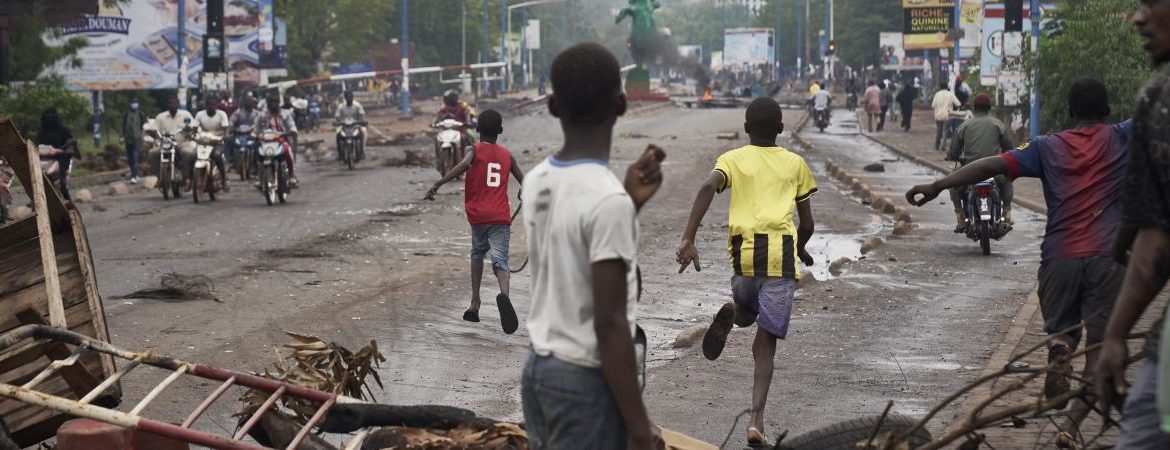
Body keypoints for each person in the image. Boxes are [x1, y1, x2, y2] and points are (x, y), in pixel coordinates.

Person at [906, 79, 1132, 442]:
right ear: (1107, 111)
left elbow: (988, 165)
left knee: (1066, 334)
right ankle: (1071, 430)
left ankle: (1061, 345)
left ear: (1070, 112)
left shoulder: (1047, 146)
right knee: (1101, 352)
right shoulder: (1124, 136)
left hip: (1058, 260)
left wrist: (938, 185)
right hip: (1107, 260)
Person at [520, 42, 665, 450]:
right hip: (584, 380)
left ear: (552, 106)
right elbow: (609, 324)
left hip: (539, 371)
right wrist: (640, 427)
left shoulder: (537, 180)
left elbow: (571, 253)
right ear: (621, 105)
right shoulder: (607, 201)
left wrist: (629, 203)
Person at [676, 97, 817, 446]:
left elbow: (708, 186)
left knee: (747, 311)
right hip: (780, 256)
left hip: (744, 254)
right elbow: (808, 223)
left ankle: (733, 312)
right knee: (766, 339)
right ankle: (756, 420)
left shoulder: (732, 160)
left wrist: (688, 237)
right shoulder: (796, 163)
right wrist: (800, 247)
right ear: (782, 129)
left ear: (746, 128)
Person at [1095, 2, 1170, 448]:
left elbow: (1156, 236)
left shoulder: (1158, 99)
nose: (1139, 18)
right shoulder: (1148, 105)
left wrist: (1116, 334)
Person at [425, 110, 524, 333]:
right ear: (500, 131)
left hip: (479, 216)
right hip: (500, 216)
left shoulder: (474, 149)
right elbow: (524, 180)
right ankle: (504, 297)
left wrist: (438, 184)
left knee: (478, 252)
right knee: (501, 260)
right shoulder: (507, 155)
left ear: (478, 130)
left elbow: (462, 166)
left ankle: (475, 303)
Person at [942, 93, 1015, 230]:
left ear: (974, 108)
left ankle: (961, 218)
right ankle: (1007, 212)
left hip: (970, 171)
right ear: (989, 108)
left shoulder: (964, 126)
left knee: (953, 185)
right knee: (1007, 181)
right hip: (994, 169)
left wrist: (951, 156)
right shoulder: (997, 124)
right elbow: (1009, 148)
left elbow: (954, 151)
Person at [151, 96, 197, 192]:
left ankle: (187, 177)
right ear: (167, 105)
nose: (172, 105)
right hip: (165, 144)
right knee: (152, 153)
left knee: (188, 153)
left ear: (178, 104)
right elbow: (154, 129)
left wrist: (190, 128)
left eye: (174, 103)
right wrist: (157, 135)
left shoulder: (186, 115)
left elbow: (194, 126)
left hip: (182, 143)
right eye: (170, 103)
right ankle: (158, 177)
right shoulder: (160, 117)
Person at [34, 108, 78, 201]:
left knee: (61, 182)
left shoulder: (63, 130)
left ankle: (65, 196)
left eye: (52, 115)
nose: (50, 118)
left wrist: (62, 151)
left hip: (60, 159)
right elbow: (35, 147)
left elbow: (70, 145)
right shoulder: (41, 132)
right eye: (47, 115)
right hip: (42, 160)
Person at [255, 96, 298, 186]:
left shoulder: (285, 114)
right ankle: (260, 177)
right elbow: (257, 129)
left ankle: (292, 175)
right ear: (268, 103)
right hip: (266, 142)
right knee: (258, 154)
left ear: (279, 103)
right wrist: (254, 135)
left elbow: (292, 125)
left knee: (287, 152)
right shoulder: (262, 115)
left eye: (275, 101)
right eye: (271, 101)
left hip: (282, 141)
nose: (273, 104)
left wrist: (292, 131)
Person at [193, 96, 231, 192]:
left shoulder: (222, 114)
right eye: (209, 104)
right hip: (203, 141)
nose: (211, 106)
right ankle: (190, 179)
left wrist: (225, 136)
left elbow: (226, 129)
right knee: (192, 155)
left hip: (217, 141)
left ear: (216, 105)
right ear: (206, 105)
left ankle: (223, 179)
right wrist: (192, 135)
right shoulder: (199, 115)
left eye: (213, 104)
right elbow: (194, 128)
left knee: (217, 156)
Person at [230, 97, 262, 172]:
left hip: (252, 135)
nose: (248, 103)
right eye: (247, 101)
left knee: (258, 147)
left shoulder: (257, 113)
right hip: (239, 134)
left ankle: (256, 165)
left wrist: (255, 130)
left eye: (250, 101)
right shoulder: (238, 112)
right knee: (230, 142)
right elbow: (231, 121)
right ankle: (231, 161)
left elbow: (258, 124)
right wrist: (232, 128)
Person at [334, 91, 367, 161]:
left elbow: (361, 114)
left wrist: (361, 121)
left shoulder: (357, 105)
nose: (349, 98)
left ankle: (362, 150)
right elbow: (337, 116)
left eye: (350, 97)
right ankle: (340, 153)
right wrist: (337, 122)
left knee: (364, 131)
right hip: (344, 125)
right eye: (347, 97)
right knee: (337, 133)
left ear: (353, 97)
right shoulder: (341, 106)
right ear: (345, 98)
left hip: (356, 124)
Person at [121, 100, 147, 184]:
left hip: (137, 139)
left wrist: (143, 135)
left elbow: (144, 125)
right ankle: (135, 175)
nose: (134, 105)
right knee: (130, 158)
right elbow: (123, 125)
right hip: (128, 139)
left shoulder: (140, 113)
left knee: (135, 157)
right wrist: (121, 136)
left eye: (136, 103)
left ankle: (134, 176)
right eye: (133, 103)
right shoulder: (126, 114)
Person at [932, 83, 961, 152]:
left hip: (938, 115)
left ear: (940, 87)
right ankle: (943, 147)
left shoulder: (937, 94)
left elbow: (933, 105)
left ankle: (937, 145)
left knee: (939, 130)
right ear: (947, 87)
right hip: (948, 115)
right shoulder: (950, 94)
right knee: (946, 131)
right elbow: (958, 104)